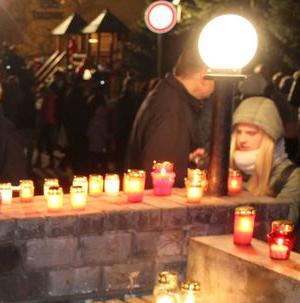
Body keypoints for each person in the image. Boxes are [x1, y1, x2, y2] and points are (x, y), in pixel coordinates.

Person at [126, 48, 215, 177]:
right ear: (203, 76)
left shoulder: (166, 96)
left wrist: (189, 160)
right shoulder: (173, 112)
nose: (216, 87)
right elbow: (160, 176)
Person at [231, 97, 300, 225]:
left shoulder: (291, 176)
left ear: (269, 136)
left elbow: (282, 223)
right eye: (239, 132)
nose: (242, 139)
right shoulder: (229, 166)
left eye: (251, 133)